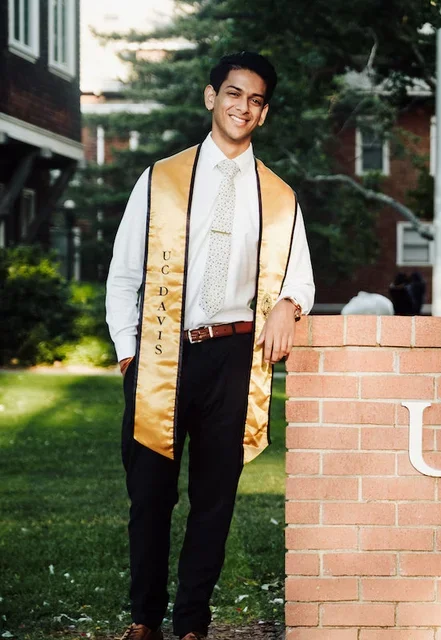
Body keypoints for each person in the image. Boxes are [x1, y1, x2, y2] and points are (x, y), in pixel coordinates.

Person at [105, 52, 315, 640]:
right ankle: (145, 619)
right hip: (161, 354)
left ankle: (192, 623)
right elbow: (124, 273)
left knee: (214, 501)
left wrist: (286, 304)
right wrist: (128, 352)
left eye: (255, 100)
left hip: (232, 358)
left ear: (264, 113)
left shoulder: (279, 196)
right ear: (210, 97)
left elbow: (300, 274)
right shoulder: (161, 178)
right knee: (149, 497)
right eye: (233, 93)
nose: (242, 107)